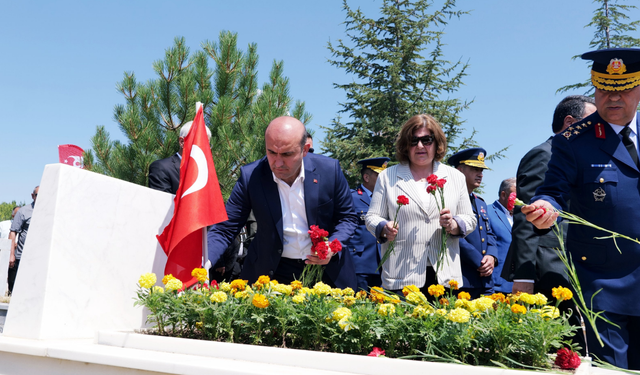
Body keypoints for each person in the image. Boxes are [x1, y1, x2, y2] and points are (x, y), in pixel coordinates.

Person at [524, 48, 640, 369]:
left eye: (624, 89)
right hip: (604, 287)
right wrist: (545, 208)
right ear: (594, 87)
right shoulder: (573, 141)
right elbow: (552, 191)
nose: (613, 98)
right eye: (605, 89)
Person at [207, 116, 358, 289]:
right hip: (273, 272)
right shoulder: (251, 176)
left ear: (305, 149)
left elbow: (348, 218)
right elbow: (225, 227)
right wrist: (204, 264)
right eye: (271, 152)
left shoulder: (329, 171)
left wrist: (331, 247)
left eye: (287, 154)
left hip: (326, 272)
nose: (278, 163)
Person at [365, 114, 476, 293]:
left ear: (437, 143)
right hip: (401, 276)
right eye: (413, 141)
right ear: (405, 145)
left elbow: (470, 219)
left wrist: (454, 224)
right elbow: (372, 217)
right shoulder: (387, 176)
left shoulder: (455, 177)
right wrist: (384, 227)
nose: (420, 146)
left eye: (427, 140)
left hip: (444, 276)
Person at [502, 95, 596, 297]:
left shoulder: (581, 159)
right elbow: (526, 216)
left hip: (574, 265)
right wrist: (524, 276)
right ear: (570, 122)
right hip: (547, 269)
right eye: (591, 120)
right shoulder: (545, 154)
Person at [449, 148, 498, 298]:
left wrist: (491, 256)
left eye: (481, 170)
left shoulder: (480, 203)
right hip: (462, 278)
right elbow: (451, 235)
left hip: (485, 279)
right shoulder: (449, 200)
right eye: (475, 169)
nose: (480, 174)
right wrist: (479, 262)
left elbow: (489, 233)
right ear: (459, 171)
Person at [342, 157, 390, 291]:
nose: (384, 179)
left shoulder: (389, 200)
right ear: (366, 177)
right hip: (360, 264)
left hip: (385, 265)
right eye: (379, 175)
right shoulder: (351, 197)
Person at [148, 121, 212, 194]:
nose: (203, 148)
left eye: (207, 144)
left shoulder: (206, 175)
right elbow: (161, 203)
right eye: (199, 142)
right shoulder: (162, 168)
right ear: (182, 142)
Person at [486, 177, 516, 294]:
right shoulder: (487, 212)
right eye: (516, 196)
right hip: (497, 285)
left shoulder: (522, 216)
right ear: (504, 195)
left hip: (520, 285)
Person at [8, 187, 38, 295]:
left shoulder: (49, 211)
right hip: (22, 257)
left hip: (39, 257)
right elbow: (13, 232)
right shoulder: (23, 211)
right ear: (32, 195)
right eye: (37, 195)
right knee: (16, 289)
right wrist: (11, 254)